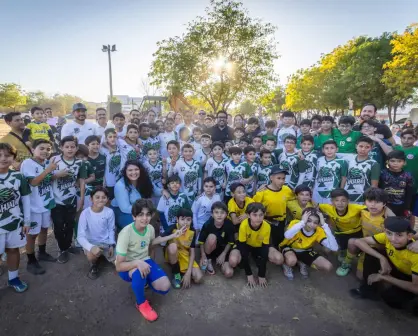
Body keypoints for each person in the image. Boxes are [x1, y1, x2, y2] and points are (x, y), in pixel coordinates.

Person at [115, 199, 184, 322]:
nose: (145, 218)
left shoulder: (150, 228)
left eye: (148, 214)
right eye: (140, 214)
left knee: (165, 286)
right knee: (138, 272)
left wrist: (173, 235)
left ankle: (143, 281)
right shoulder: (125, 233)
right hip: (128, 267)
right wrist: (137, 263)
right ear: (134, 216)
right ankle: (141, 303)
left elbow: (151, 243)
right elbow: (119, 266)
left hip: (145, 260)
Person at [350, 217, 418, 314]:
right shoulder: (386, 237)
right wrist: (382, 258)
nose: (393, 239)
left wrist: (385, 278)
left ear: (409, 236)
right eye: (389, 233)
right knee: (372, 254)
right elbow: (358, 241)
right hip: (396, 266)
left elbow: (416, 288)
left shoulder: (415, 254)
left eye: (399, 235)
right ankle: (369, 290)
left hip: (410, 277)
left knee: (392, 300)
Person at [339, 187, 394, 278]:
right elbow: (343, 207)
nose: (373, 205)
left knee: (364, 277)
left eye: (377, 202)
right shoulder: (362, 211)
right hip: (364, 245)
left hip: (381, 249)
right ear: (365, 202)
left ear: (384, 203)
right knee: (352, 242)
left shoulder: (389, 218)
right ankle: (347, 263)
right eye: (370, 201)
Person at [21, 140, 57, 275]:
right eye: (41, 148)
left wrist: (55, 174)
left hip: (46, 203)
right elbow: (34, 182)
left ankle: (42, 252)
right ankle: (31, 260)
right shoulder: (27, 163)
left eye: (48, 149)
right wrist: (49, 170)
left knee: (44, 229)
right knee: (32, 234)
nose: (45, 151)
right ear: (33, 149)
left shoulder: (47, 163)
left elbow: (47, 178)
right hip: (33, 206)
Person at [51, 136, 87, 264]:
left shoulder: (80, 163)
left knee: (70, 224)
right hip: (56, 201)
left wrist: (81, 199)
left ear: (77, 148)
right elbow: (46, 178)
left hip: (71, 199)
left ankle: (67, 246)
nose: (70, 149)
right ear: (61, 147)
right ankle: (62, 249)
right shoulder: (54, 160)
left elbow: (82, 181)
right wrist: (56, 175)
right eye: (67, 147)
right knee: (59, 226)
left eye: (73, 147)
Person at [0, 143, 31, 293]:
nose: (3, 159)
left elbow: (25, 200)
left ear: (13, 158)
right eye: (0, 155)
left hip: (15, 223)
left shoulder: (18, 176)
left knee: (13, 250)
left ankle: (13, 278)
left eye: (7, 155)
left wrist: (26, 221)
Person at [280, 208, 338, 280]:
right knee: (291, 260)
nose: (311, 224)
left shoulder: (319, 231)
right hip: (290, 248)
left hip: (306, 251)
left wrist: (324, 225)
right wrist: (302, 222)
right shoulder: (296, 223)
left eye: (315, 222)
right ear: (304, 218)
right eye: (309, 220)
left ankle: (302, 262)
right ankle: (286, 264)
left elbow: (334, 248)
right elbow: (287, 235)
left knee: (328, 266)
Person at [319, 188, 365, 275]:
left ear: (348, 201)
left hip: (356, 232)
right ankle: (343, 251)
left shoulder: (356, 208)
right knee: (329, 249)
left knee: (352, 246)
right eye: (337, 200)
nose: (340, 203)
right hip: (340, 233)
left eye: (343, 200)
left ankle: (347, 263)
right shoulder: (327, 207)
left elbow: (371, 208)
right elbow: (315, 206)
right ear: (332, 202)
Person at [253, 165, 292, 264]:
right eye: (278, 178)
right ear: (271, 178)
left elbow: (293, 203)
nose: (281, 181)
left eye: (283, 178)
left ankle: (284, 258)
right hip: (266, 223)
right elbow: (253, 208)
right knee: (267, 244)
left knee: (280, 243)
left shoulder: (287, 190)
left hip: (281, 223)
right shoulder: (262, 192)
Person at [77, 187, 116, 279]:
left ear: (107, 199)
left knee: (120, 264)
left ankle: (103, 255)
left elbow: (111, 229)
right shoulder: (85, 213)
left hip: (106, 242)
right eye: (97, 197)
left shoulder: (109, 212)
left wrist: (111, 244)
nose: (100, 200)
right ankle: (94, 265)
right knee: (91, 255)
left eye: (104, 197)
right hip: (92, 242)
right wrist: (91, 247)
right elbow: (80, 236)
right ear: (91, 199)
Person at [163, 208, 203, 289]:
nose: (185, 222)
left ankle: (185, 273)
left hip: (185, 254)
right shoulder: (172, 228)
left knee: (199, 278)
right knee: (173, 247)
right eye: (182, 219)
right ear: (177, 219)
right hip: (172, 252)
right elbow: (160, 240)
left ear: (191, 220)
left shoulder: (192, 231)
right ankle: (176, 274)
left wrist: (188, 273)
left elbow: (192, 252)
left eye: (188, 220)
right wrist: (171, 236)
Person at [237, 203, 271, 288]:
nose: (258, 218)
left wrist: (261, 274)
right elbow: (243, 248)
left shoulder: (267, 226)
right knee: (239, 260)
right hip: (247, 246)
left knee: (276, 258)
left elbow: (265, 249)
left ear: (264, 215)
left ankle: (255, 258)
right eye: (254, 215)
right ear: (248, 215)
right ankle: (252, 258)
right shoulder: (243, 225)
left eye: (261, 215)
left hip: (259, 246)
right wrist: (249, 273)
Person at [112, 160, 154, 229]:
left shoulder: (143, 179)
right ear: (125, 172)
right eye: (130, 170)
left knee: (149, 221)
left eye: (136, 169)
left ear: (140, 170)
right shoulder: (120, 185)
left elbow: (155, 190)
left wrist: (163, 191)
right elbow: (125, 208)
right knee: (138, 225)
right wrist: (144, 211)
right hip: (122, 212)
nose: (133, 172)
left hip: (138, 209)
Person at [198, 202, 236, 277]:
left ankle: (221, 263)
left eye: (222, 212)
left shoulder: (229, 224)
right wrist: (203, 255)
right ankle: (208, 260)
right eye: (216, 212)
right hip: (210, 248)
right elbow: (201, 242)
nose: (219, 215)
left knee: (229, 273)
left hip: (223, 249)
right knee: (212, 237)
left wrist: (224, 254)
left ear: (226, 214)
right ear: (212, 214)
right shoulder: (207, 224)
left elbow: (230, 242)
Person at [344, 136, 380, 204]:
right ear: (356, 146)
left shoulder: (373, 164)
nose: (363, 149)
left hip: (363, 199)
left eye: (367, 147)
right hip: (347, 197)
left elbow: (374, 186)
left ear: (371, 148)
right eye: (361, 146)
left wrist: (368, 200)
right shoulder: (348, 160)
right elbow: (344, 178)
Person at [378, 150, 414, 217]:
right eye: (392, 161)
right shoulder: (382, 174)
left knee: (400, 225)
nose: (395, 163)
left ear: (404, 162)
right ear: (387, 162)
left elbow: (409, 193)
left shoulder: (408, 175)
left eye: (399, 161)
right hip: (385, 205)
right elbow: (378, 189)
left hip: (401, 206)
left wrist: (407, 207)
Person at [313, 140, 347, 204]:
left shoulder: (342, 162)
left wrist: (341, 191)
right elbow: (316, 175)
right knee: (317, 210)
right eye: (326, 148)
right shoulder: (319, 160)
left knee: (330, 211)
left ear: (337, 149)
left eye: (332, 148)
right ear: (323, 150)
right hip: (318, 191)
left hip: (332, 192)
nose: (329, 150)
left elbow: (344, 178)